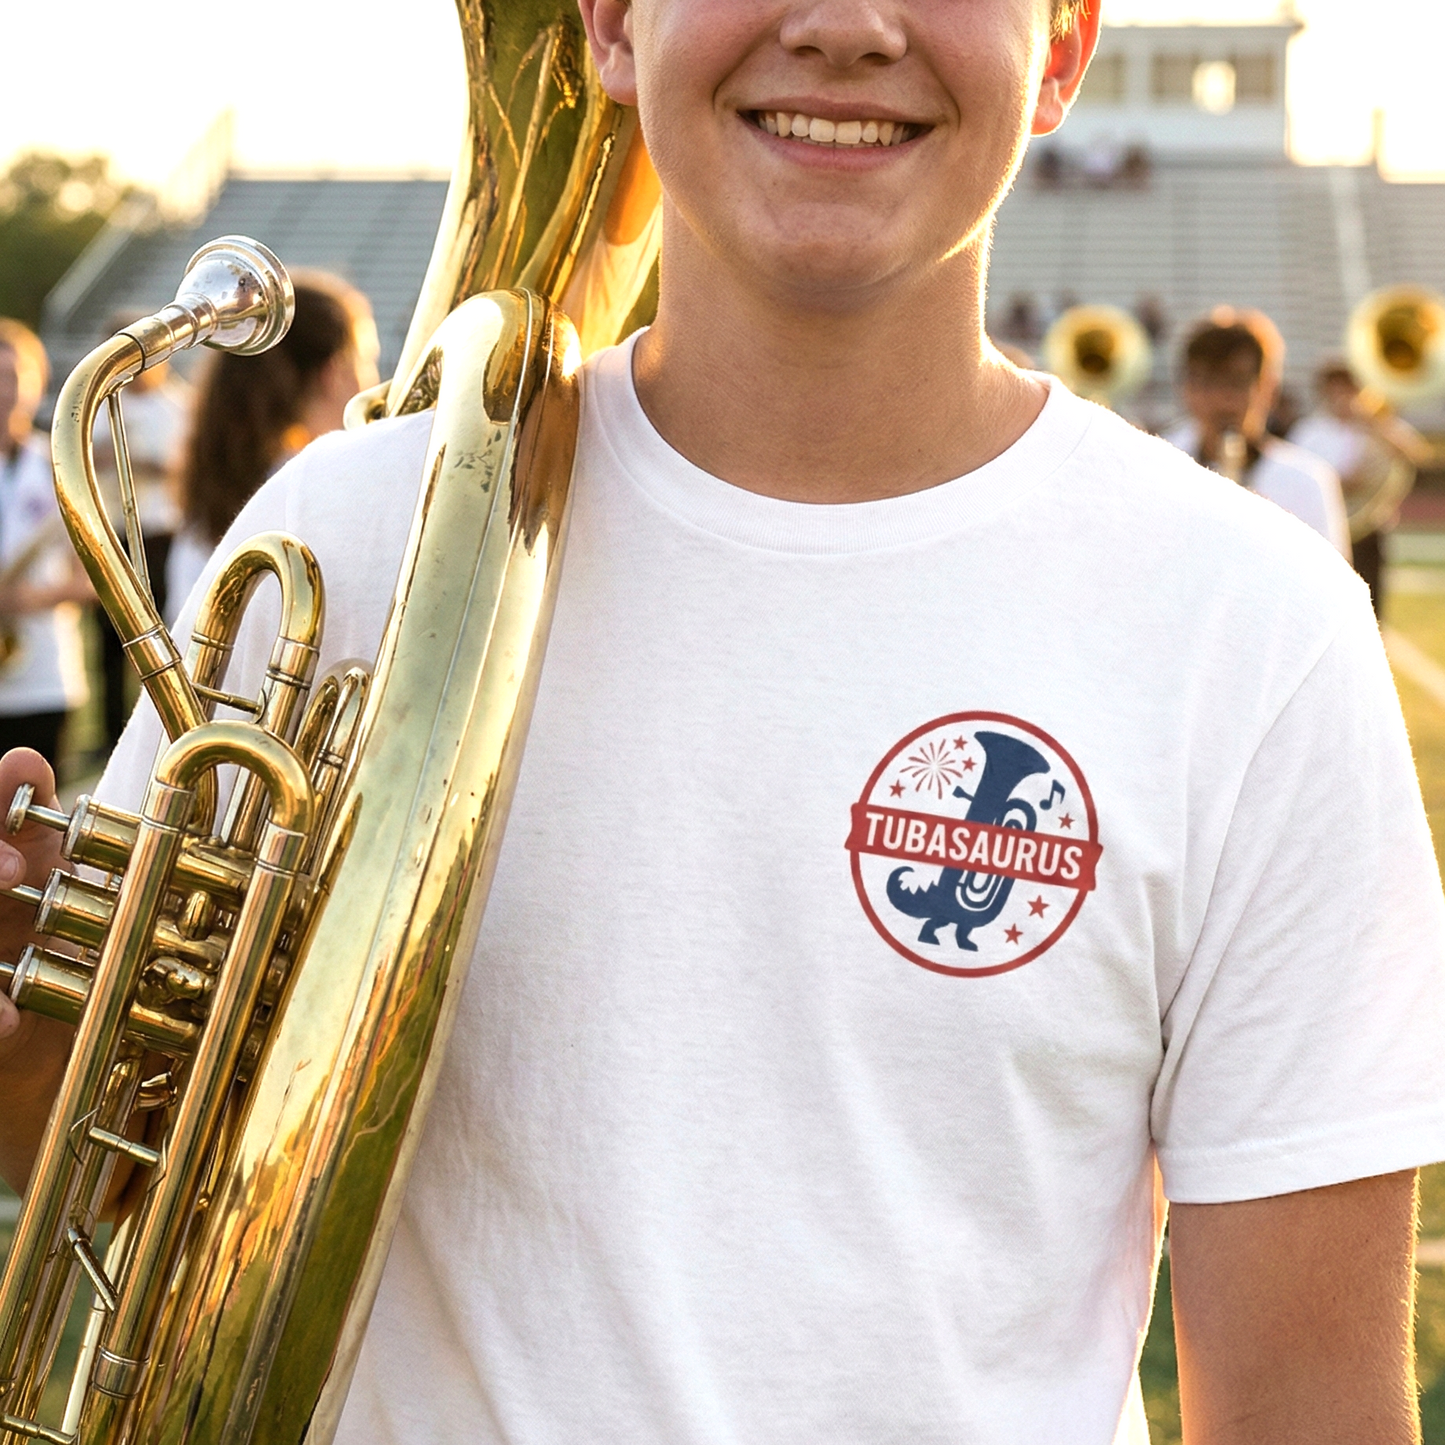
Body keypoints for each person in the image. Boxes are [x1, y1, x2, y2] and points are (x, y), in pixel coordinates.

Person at [2, 4, 1444, 1443]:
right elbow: (112, 1154)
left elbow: (1306, 1409)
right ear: (616, 26)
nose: (844, 26)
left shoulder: (1259, 633)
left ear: (1061, 47)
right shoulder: (354, 531)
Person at [164, 272, 380, 623]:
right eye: (367, 360)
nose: (373, 382)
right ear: (333, 372)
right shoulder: (324, 487)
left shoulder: (218, 492)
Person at [1164, 309, 1351, 557]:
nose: (1222, 400)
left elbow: (1332, 588)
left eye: (1237, 382)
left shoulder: (1307, 479)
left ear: (1268, 388)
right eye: (1207, 382)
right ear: (1186, 388)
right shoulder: (1160, 468)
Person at [90, 315, 191, 750]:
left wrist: (151, 465)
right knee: (110, 639)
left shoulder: (180, 406)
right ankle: (112, 731)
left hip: (160, 534)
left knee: (166, 631)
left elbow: (191, 470)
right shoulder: (98, 405)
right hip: (113, 532)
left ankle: (158, 724)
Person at [0, 321, 91, 772]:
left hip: (45, 678)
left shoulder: (61, 467)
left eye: (15, 377)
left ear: (38, 384)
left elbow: (95, 581)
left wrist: (34, 596)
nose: (5, 392)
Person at [1290, 357, 1431, 615]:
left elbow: (1417, 454)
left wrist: (1375, 423)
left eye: (1349, 388)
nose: (1343, 396)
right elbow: (1302, 480)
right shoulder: (1311, 431)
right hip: (1325, 528)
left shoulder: (1375, 424)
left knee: (1371, 605)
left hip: (1369, 529)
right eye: (1336, 389)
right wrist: (1343, 483)